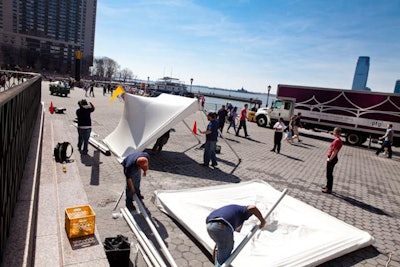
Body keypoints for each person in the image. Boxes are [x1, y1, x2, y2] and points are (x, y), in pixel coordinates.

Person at [322, 127, 343, 194]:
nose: (333, 132)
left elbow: (335, 151)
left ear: (336, 132)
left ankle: (329, 189)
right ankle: (327, 186)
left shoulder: (337, 141)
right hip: (333, 158)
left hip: (332, 158)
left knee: (329, 174)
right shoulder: (338, 140)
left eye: (334, 131)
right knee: (329, 174)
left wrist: (330, 159)